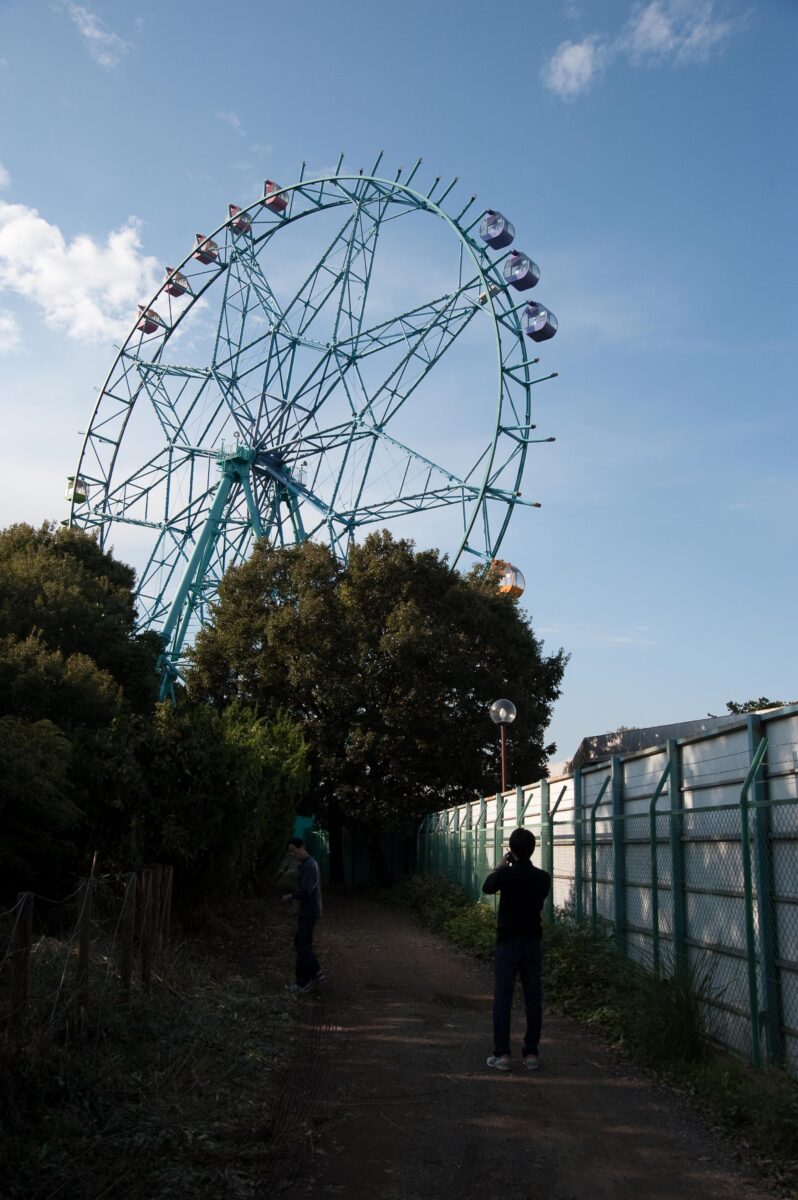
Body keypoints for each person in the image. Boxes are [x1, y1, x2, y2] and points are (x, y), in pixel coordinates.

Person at [482, 826, 550, 1072]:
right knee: (533, 998)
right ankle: (531, 1054)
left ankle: (502, 1055)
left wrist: (502, 866)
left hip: (507, 941)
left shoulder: (505, 875)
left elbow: (487, 887)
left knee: (503, 998)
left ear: (511, 850)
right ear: (532, 849)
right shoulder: (543, 878)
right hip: (532, 941)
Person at [282, 836, 325, 993]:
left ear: (302, 847)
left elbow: (306, 890)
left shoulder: (309, 865)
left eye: (294, 850)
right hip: (308, 911)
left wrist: (290, 896)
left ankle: (313, 975)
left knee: (302, 944)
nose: (293, 854)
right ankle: (304, 980)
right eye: (291, 852)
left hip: (310, 911)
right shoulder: (306, 864)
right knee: (300, 943)